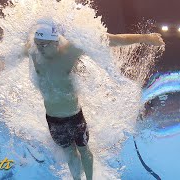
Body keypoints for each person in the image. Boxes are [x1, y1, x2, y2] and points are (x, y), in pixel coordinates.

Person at [22, 24, 164, 180]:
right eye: (37, 43)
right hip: (52, 119)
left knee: (83, 149)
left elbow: (110, 39)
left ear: (55, 42)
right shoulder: (34, 52)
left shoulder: (69, 53)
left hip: (74, 116)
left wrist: (145, 38)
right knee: (69, 152)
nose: (40, 48)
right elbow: (10, 52)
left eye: (44, 44)